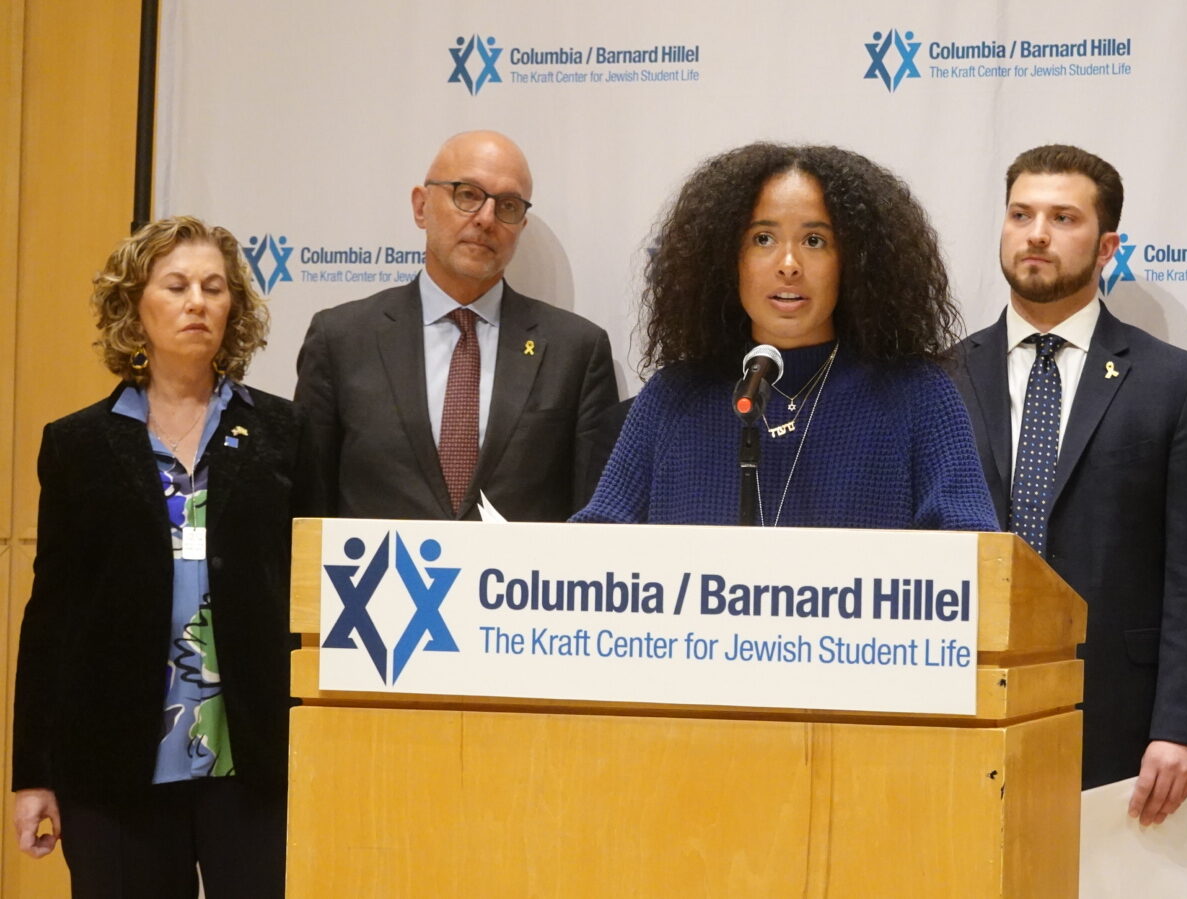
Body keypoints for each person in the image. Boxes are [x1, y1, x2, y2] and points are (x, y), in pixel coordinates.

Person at [11, 216, 304, 896]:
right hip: (116, 768)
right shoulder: (78, 445)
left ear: (234, 308)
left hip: (254, 763)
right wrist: (32, 774)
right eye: (175, 286)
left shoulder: (285, 433)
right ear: (133, 307)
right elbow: (51, 619)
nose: (197, 301)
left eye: (213, 287)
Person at [951, 145, 1187, 822]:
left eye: (1063, 217)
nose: (1036, 233)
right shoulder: (940, 380)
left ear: (1107, 243)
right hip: (965, 713)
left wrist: (1186, 726)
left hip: (1121, 729)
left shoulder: (1175, 385)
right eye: (1021, 213)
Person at [574, 142, 995, 530]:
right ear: (726, 258)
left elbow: (977, 558)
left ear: (853, 262)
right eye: (763, 239)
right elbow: (595, 548)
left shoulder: (918, 396)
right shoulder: (674, 396)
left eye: (814, 241)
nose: (789, 264)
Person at [295, 130, 617, 521]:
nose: (486, 219)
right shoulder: (341, 340)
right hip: (376, 579)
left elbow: (594, 521)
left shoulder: (576, 352)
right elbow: (308, 509)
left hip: (515, 581)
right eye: (467, 194)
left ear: (521, 226)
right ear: (421, 206)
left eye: (508, 205)